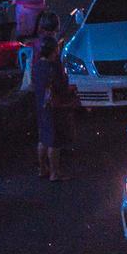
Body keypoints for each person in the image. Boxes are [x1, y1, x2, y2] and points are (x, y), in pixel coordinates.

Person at [32, 33, 76, 181]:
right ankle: (54, 173)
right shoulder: (52, 68)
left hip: (41, 105)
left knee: (43, 139)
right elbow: (60, 87)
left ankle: (42, 168)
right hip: (53, 106)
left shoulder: (37, 66)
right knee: (54, 141)